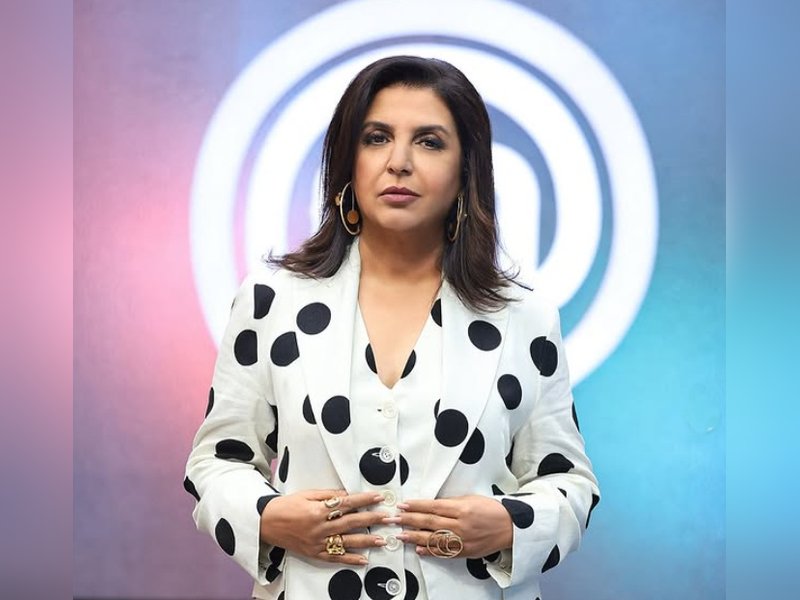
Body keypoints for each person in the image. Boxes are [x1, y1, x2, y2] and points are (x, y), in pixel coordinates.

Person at [184, 55, 600, 600]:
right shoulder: (272, 300)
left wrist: (507, 527)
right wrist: (270, 518)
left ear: (466, 171)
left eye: (429, 142)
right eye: (377, 138)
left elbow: (568, 481)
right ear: (348, 161)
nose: (398, 162)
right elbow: (217, 463)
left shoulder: (524, 316)